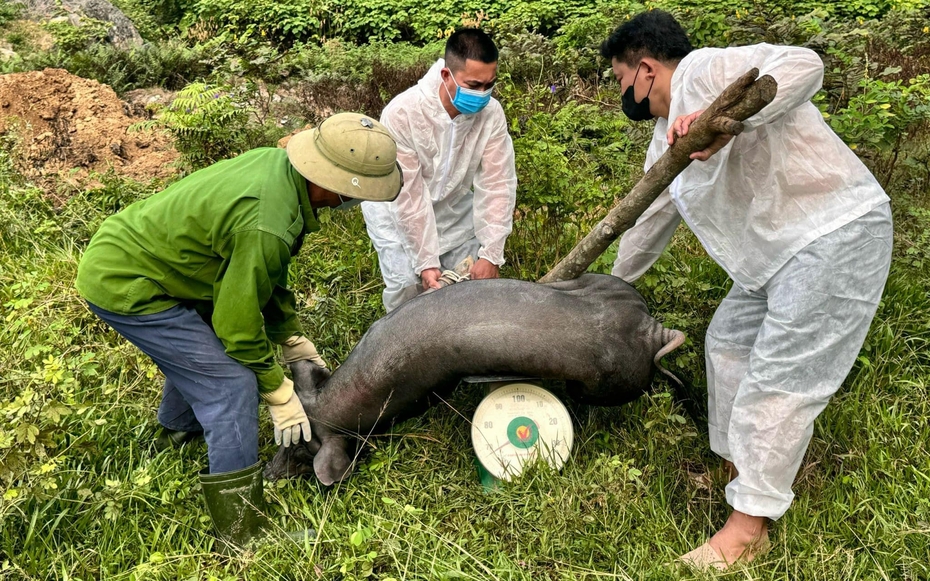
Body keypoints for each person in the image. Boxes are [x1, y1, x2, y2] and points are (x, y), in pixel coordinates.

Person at [600, 10, 892, 570]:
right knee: (728, 343)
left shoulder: (706, 71)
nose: (625, 96)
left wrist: (724, 116)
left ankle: (747, 530)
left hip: (832, 231)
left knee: (780, 379)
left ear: (644, 69)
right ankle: (747, 473)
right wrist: (609, 286)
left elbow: (804, 64)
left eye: (620, 81)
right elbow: (648, 218)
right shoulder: (667, 137)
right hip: (774, 255)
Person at [75, 112, 402, 551]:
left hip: (162, 263)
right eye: (353, 193)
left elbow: (264, 275)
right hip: (129, 283)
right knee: (230, 382)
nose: (354, 202)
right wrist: (276, 389)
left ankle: (178, 426)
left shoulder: (278, 168)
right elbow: (237, 326)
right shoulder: (267, 221)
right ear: (329, 181)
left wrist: (287, 334)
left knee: (205, 354)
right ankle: (242, 531)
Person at [361, 27, 517, 312]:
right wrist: (426, 262)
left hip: (453, 207)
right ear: (446, 75)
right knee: (408, 293)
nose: (482, 94)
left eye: (488, 85)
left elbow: (498, 183)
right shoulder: (403, 113)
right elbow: (408, 194)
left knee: (472, 287)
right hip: (395, 209)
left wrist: (492, 254)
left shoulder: (491, 114)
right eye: (473, 85)